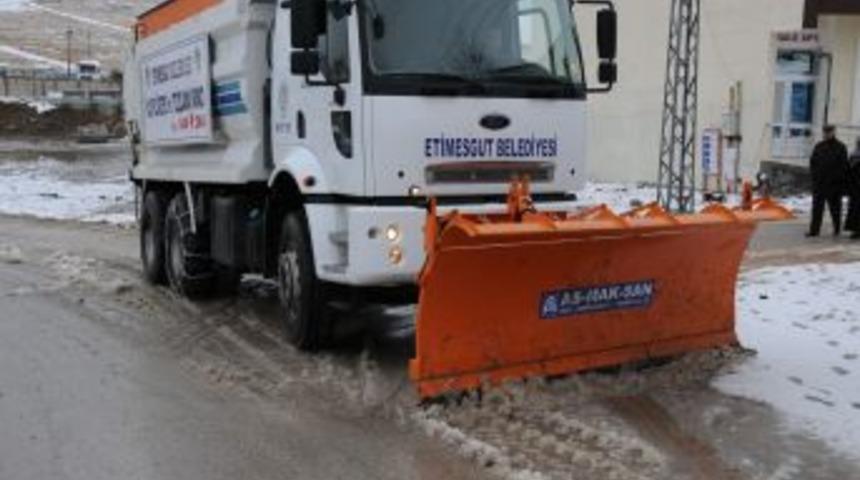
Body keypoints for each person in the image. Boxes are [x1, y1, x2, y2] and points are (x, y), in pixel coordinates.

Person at [807, 125, 850, 237]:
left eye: (829, 132)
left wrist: (838, 180)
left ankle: (836, 229)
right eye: (825, 132)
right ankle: (814, 231)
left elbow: (844, 166)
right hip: (819, 183)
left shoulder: (841, 147)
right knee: (817, 209)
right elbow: (813, 162)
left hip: (834, 184)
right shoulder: (819, 146)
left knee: (835, 208)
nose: (826, 134)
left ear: (833, 132)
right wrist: (815, 177)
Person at [846, 138, 860, 239]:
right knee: (855, 210)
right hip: (855, 188)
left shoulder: (853, 156)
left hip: (854, 188)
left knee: (855, 209)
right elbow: (848, 171)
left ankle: (856, 230)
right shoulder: (853, 156)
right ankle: (856, 230)